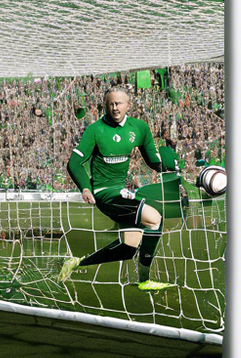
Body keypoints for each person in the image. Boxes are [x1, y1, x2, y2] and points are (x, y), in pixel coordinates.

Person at [58, 88, 174, 291]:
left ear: (128, 105)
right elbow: (74, 163)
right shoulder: (95, 130)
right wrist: (85, 188)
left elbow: (153, 161)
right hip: (104, 192)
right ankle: (144, 280)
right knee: (155, 219)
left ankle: (76, 264)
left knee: (128, 248)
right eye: (111, 104)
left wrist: (170, 165)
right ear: (105, 106)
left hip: (121, 191)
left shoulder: (139, 128)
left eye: (119, 103)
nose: (115, 108)